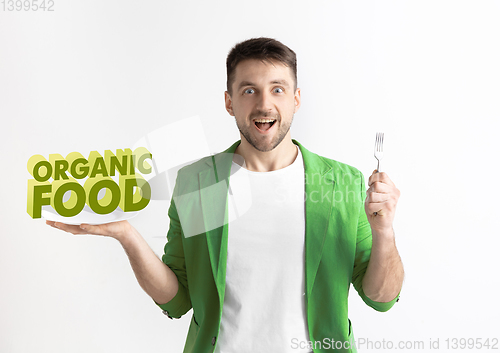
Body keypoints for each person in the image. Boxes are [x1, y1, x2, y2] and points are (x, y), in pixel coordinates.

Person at [47, 37, 404, 353]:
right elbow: (178, 299)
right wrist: (127, 235)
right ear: (229, 102)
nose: (265, 104)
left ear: (296, 99)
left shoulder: (342, 183)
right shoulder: (201, 183)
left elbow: (381, 297)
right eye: (249, 90)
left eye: (278, 89)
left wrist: (384, 231)